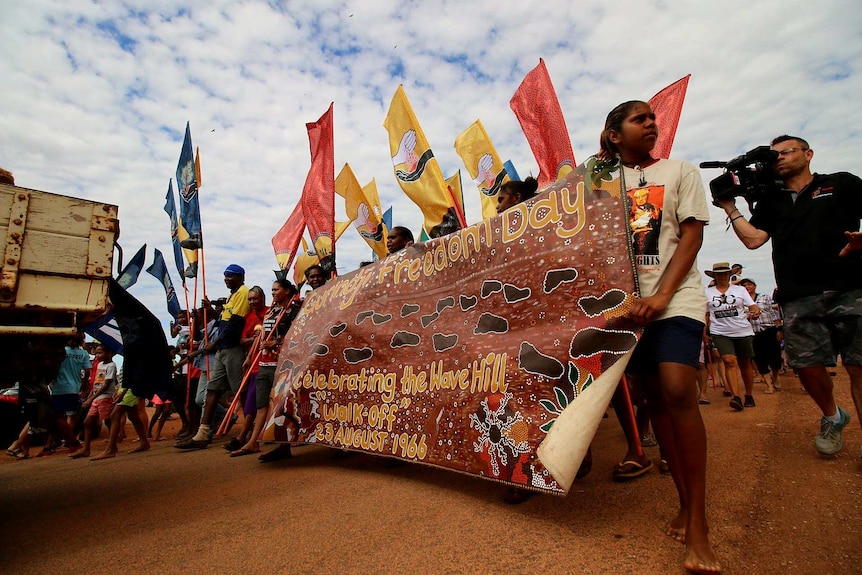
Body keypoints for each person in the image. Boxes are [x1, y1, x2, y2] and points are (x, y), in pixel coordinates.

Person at [600, 100, 719, 573]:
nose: (651, 123)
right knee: (652, 397)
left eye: (653, 117)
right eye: (639, 119)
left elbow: (691, 237)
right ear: (613, 135)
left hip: (677, 298)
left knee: (676, 389)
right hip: (625, 311)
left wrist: (663, 294)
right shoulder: (596, 185)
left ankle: (700, 525)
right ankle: (684, 502)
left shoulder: (680, 171)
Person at [717, 135, 862, 457]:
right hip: (798, 295)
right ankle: (832, 416)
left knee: (858, 366)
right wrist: (730, 207)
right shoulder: (772, 202)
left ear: (808, 154)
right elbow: (754, 240)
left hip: (851, 287)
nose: (778, 158)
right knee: (808, 367)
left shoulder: (841, 184)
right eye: (774, 156)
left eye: (786, 152)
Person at [176, 264, 250, 449]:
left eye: (231, 276)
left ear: (241, 277)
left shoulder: (243, 292)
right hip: (222, 350)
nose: (227, 279)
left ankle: (248, 432)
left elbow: (234, 324)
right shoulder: (233, 295)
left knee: (240, 390)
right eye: (225, 276)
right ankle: (202, 434)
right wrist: (212, 310)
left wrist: (214, 343)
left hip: (232, 348)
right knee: (212, 390)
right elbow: (223, 321)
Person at [231, 279, 301, 457]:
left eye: (276, 290)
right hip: (263, 363)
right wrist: (249, 357)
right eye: (272, 290)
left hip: (282, 364)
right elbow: (262, 337)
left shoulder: (293, 311)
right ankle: (253, 443)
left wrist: (276, 342)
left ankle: (282, 445)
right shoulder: (271, 312)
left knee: (279, 404)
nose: (273, 293)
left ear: (286, 291)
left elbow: (297, 335)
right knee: (262, 404)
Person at [704, 263, 760, 411]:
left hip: (742, 330)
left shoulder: (740, 290)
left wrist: (755, 310)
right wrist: (704, 332)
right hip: (720, 331)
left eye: (725, 273)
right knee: (729, 361)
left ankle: (748, 394)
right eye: (719, 274)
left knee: (745, 363)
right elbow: (705, 313)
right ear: (714, 276)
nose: (722, 276)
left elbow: (752, 305)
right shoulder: (707, 293)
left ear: (730, 275)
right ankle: (736, 396)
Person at [223, 285, 268, 452]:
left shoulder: (270, 313)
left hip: (267, 362)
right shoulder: (248, 317)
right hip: (253, 364)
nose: (252, 302)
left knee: (256, 401)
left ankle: (244, 436)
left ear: (262, 298)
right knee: (249, 400)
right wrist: (252, 340)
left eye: (255, 298)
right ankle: (246, 436)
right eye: (250, 299)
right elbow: (242, 340)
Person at [71, 345, 117, 458]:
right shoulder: (100, 364)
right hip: (97, 397)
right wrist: (92, 393)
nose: (97, 355)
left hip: (105, 397)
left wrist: (91, 398)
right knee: (88, 422)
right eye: (96, 353)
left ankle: (112, 447)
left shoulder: (111, 366)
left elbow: (106, 385)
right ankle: (86, 449)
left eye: (100, 353)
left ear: (109, 353)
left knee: (108, 421)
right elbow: (98, 381)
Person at [739, 278, 783, 393]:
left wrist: (779, 329)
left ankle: (776, 377)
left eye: (749, 284)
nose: (747, 287)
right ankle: (769, 385)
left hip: (769, 330)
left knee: (775, 357)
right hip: (753, 332)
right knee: (759, 359)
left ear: (755, 286)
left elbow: (775, 314)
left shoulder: (765, 297)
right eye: (744, 285)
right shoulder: (741, 301)